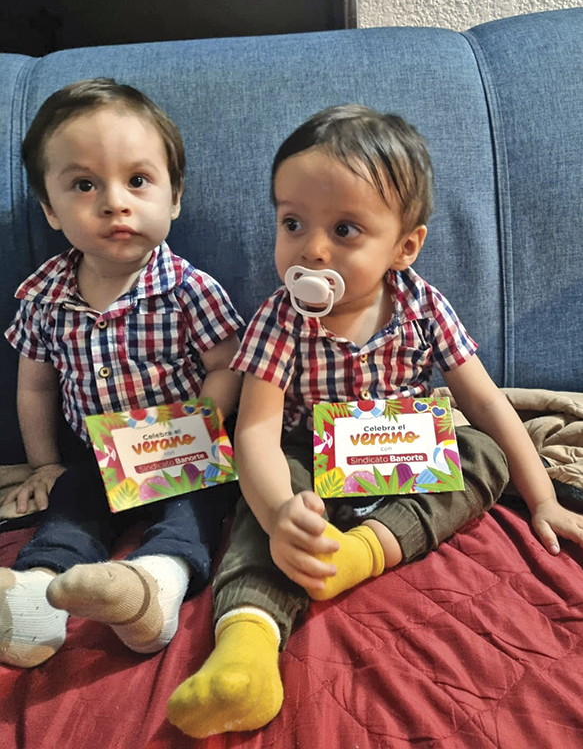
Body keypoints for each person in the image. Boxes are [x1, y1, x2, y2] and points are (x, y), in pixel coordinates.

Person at [166, 104, 583, 738]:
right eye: (293, 223)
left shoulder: (423, 306)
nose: (312, 249)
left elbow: (486, 403)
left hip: (408, 449)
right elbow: (253, 432)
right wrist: (280, 514)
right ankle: (245, 650)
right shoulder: (281, 318)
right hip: (310, 454)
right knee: (263, 503)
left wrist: (544, 498)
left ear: (404, 246)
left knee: (484, 450)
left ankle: (359, 554)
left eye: (345, 229)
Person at [0, 79, 244, 668]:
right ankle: (34, 597)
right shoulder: (43, 297)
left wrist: (189, 430)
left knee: (196, 511)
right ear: (50, 209)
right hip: (96, 460)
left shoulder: (189, 290)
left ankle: (153, 587)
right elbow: (35, 385)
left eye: (138, 180)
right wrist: (44, 463)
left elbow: (228, 367)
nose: (115, 202)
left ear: (173, 196)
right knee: (70, 506)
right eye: (85, 185)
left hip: (182, 457)